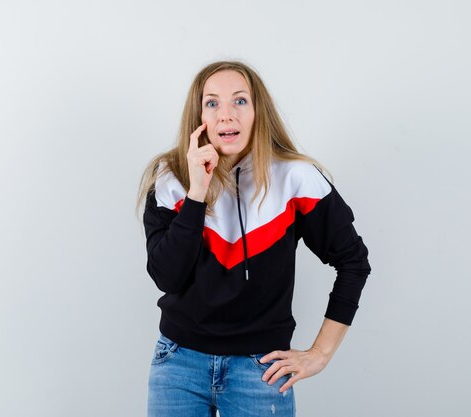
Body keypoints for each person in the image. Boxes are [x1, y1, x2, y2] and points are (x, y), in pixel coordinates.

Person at [136, 60, 371, 417]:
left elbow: (353, 262)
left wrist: (320, 353)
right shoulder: (171, 179)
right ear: (198, 116)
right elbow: (166, 277)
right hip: (179, 362)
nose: (226, 114)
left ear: (258, 111)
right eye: (212, 103)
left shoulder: (297, 178)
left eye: (240, 101)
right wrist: (197, 192)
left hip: (260, 369)